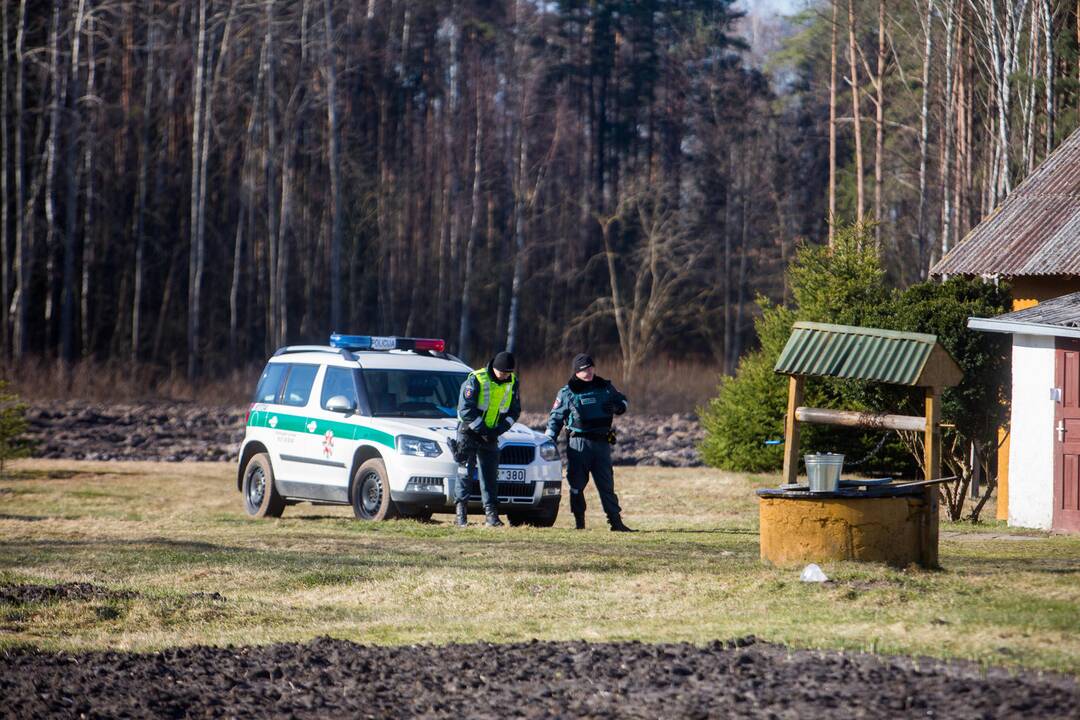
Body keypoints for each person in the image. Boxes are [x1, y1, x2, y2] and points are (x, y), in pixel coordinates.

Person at [545, 354, 634, 532]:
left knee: (607, 485)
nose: (589, 372)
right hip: (579, 444)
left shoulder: (605, 387)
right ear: (577, 372)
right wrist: (547, 441)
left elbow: (623, 400)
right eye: (584, 369)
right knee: (576, 485)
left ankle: (616, 523)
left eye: (591, 368)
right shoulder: (566, 393)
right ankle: (580, 524)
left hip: (602, 443)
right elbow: (555, 419)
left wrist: (618, 407)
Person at [454, 351, 521, 527]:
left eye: (509, 373)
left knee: (490, 474)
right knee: (465, 473)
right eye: (503, 372)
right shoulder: (476, 379)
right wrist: (482, 430)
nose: (506, 376)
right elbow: (465, 410)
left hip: (491, 434)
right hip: (469, 432)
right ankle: (461, 515)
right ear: (495, 368)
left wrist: (500, 429)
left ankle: (491, 516)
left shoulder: (512, 382)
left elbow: (515, 411)